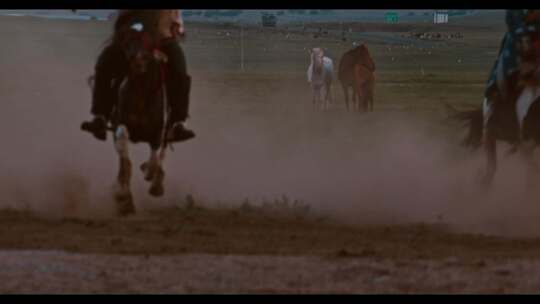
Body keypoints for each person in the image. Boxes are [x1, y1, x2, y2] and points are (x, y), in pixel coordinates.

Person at [82, 9, 195, 142]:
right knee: (104, 64)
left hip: (162, 39)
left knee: (179, 70)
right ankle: (100, 116)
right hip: (133, 38)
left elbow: (176, 20)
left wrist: (175, 29)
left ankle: (178, 122)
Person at [483, 10, 540, 134]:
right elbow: (513, 20)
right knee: (502, 75)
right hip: (519, 44)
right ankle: (492, 114)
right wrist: (524, 38)